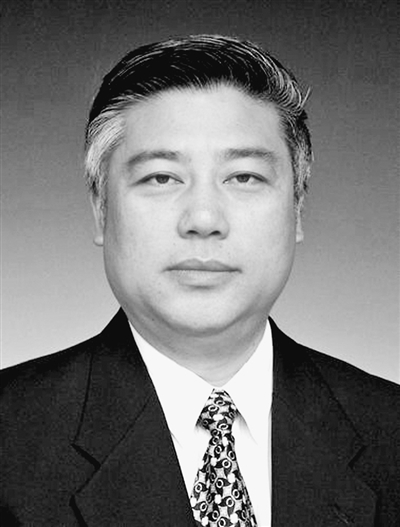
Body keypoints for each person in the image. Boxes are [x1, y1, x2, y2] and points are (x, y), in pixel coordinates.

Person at [1, 35, 399, 527]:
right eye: (162, 178)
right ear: (102, 210)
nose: (204, 219)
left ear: (297, 208)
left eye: (244, 177)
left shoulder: (390, 430)